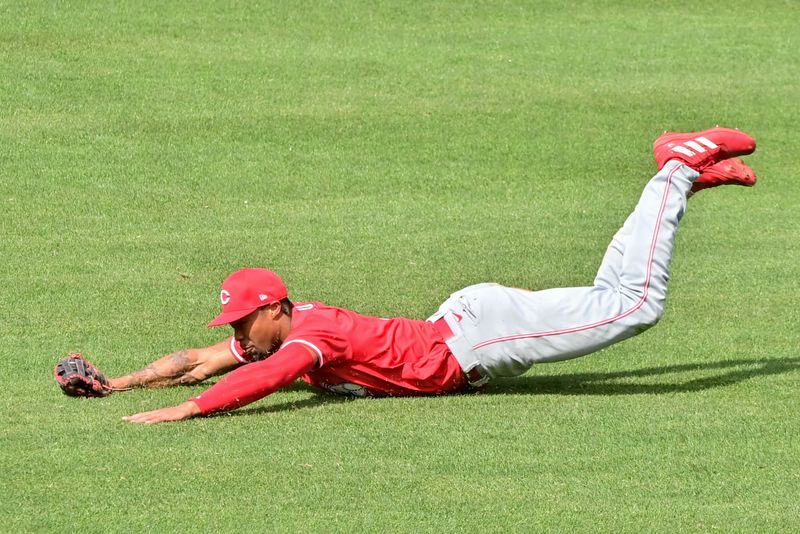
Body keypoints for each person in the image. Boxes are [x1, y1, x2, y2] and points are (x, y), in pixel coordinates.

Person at [90, 127, 757, 424]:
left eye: (243, 318)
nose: (237, 330)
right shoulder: (282, 331)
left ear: (276, 307)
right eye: (233, 322)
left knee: (633, 304)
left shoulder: (306, 340)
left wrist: (185, 412)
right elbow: (200, 359)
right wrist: (118, 383)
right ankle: (681, 179)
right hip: (471, 324)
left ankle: (676, 168)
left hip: (475, 341)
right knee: (609, 297)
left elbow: (259, 380)